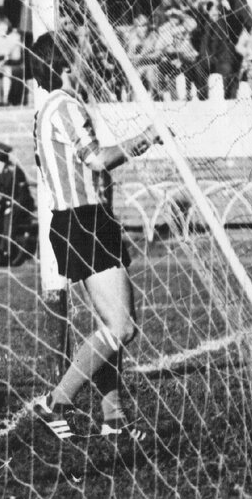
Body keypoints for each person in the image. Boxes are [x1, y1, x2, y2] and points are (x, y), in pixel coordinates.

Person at [28, 33, 162, 440]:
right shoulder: (66, 106)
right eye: (78, 56)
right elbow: (97, 160)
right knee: (121, 327)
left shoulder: (45, 110)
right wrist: (146, 137)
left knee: (110, 325)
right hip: (84, 221)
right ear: (66, 65)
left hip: (78, 221)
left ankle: (113, 418)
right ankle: (56, 402)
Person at [0, 140, 33, 267]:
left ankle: (6, 253)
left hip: (19, 206)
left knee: (8, 218)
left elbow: (23, 195)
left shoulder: (15, 170)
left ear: (0, 158)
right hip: (3, 206)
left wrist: (11, 206)